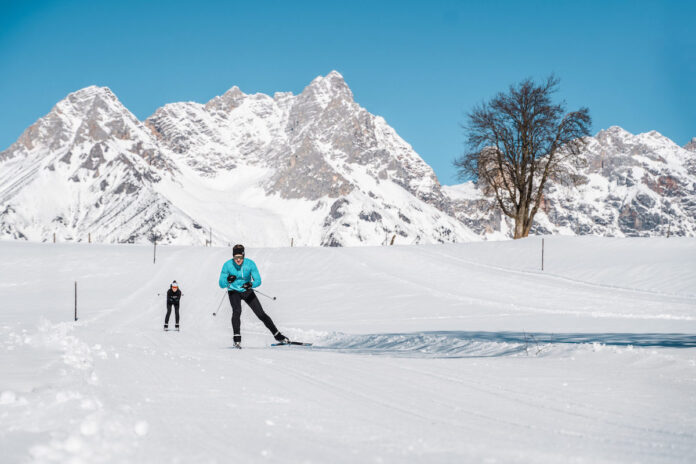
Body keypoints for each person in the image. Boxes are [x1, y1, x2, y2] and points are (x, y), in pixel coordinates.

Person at [218, 244, 288, 348]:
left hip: (247, 290)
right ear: (233, 257)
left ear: (243, 256)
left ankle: (278, 336)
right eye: (235, 257)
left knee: (261, 314)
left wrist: (251, 284)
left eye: (240, 257)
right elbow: (221, 284)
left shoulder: (250, 264)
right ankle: (237, 339)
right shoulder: (227, 265)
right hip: (233, 291)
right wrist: (227, 280)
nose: (238, 260)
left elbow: (258, 281)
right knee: (237, 311)